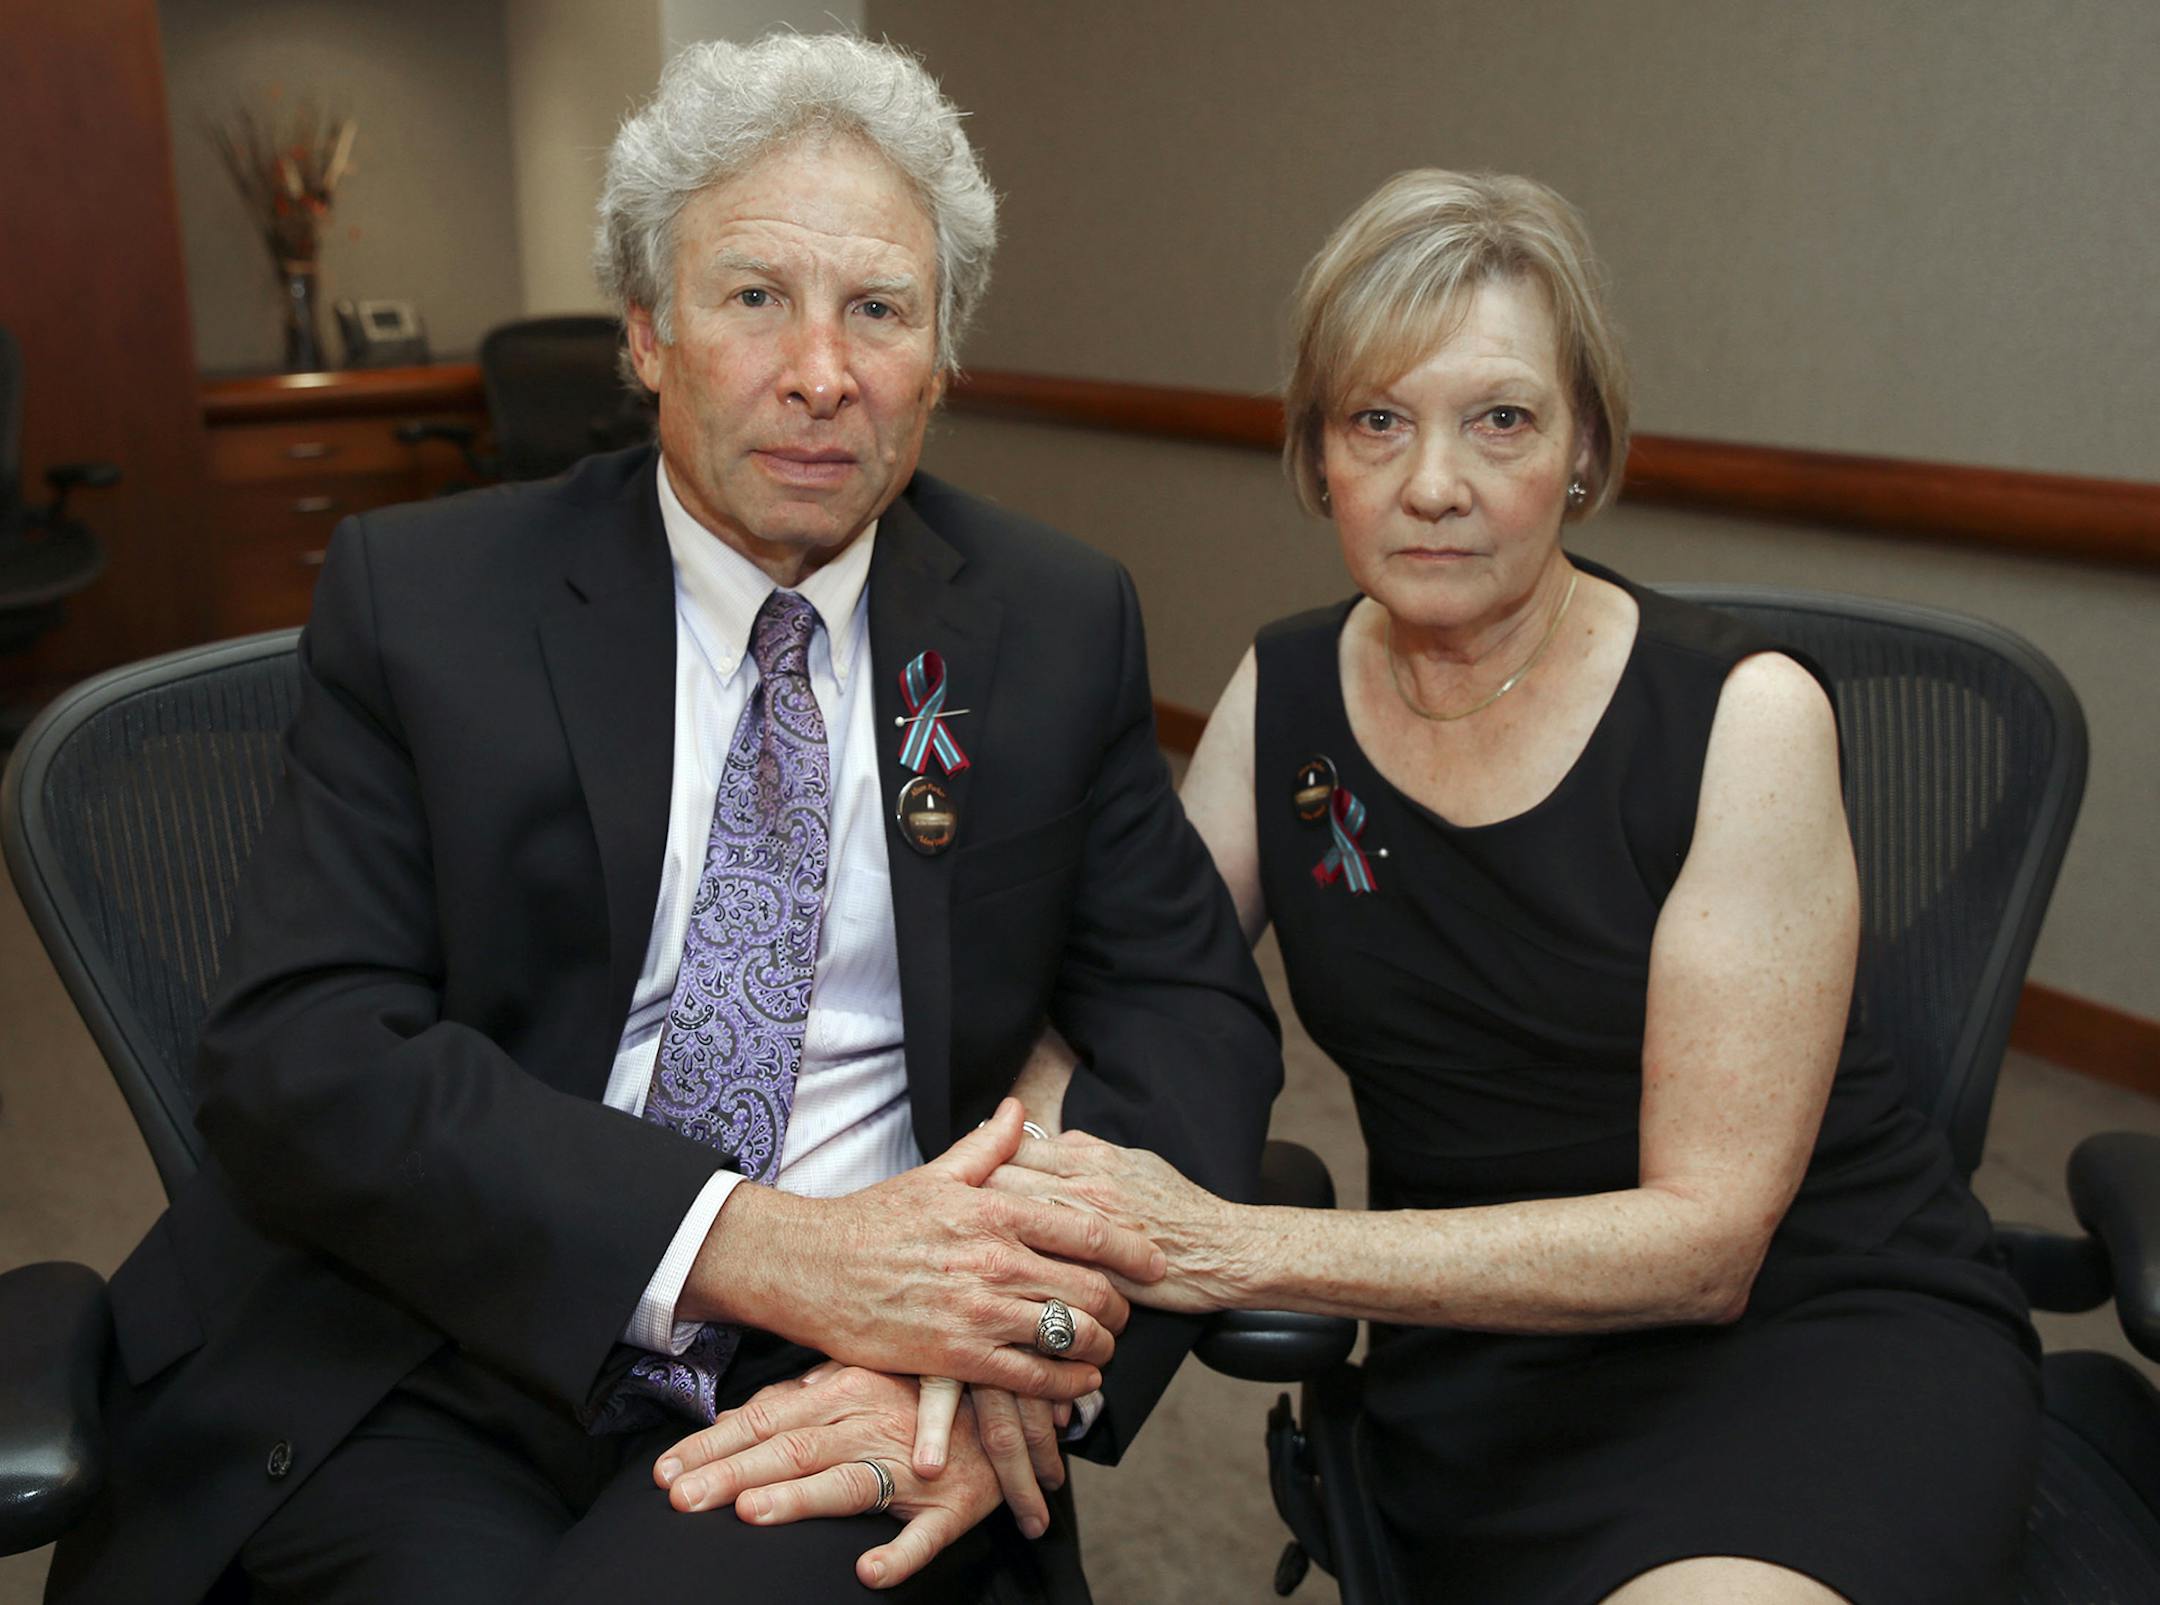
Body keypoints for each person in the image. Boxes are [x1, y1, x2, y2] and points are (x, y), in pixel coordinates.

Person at [46, 34, 1278, 1605]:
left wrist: (1032, 1347)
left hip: (832, 1369)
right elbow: (303, 1052)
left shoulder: (1053, 623)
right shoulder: (428, 602)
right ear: (645, 331)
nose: (821, 371)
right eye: (754, 296)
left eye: (879, 311)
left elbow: (1195, 1014)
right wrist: (752, 1241)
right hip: (428, 1326)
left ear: (941, 356)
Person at [973, 170, 2042, 1602]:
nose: (1434, 484)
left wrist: (1232, 1245)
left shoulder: (1743, 715)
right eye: (1377, 421)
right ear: (1317, 460)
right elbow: (1135, 998)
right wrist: (1008, 1214)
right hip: (1475, 1372)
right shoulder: (1281, 696)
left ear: (1584, 448)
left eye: (1501, 419)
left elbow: (1707, 1243)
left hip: (1810, 1341)